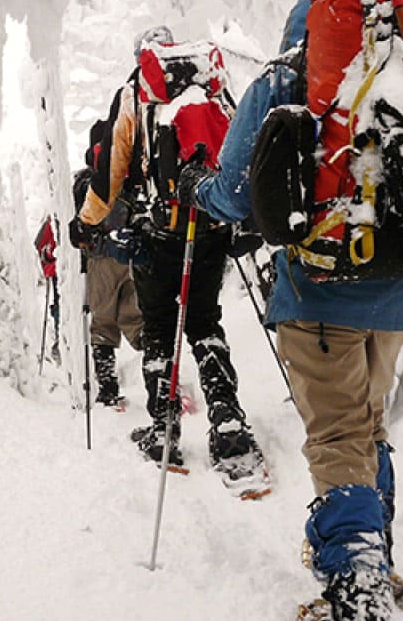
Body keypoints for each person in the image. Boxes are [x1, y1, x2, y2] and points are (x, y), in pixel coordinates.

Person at [177, 0, 403, 621]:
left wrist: (198, 189)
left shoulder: (285, 81)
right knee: (368, 424)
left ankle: (362, 592)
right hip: (400, 292)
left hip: (320, 294)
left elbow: (235, 190)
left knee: (339, 435)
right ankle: (375, 542)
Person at [69, 25, 266, 485]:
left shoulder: (136, 94)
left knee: (159, 326)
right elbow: (237, 150)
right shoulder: (209, 85)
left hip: (159, 233)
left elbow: (110, 171)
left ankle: (165, 429)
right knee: (204, 321)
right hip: (211, 224)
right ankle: (229, 424)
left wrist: (87, 223)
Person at [73, 127, 145, 408]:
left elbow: (80, 223)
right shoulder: (129, 171)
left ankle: (108, 389)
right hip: (131, 256)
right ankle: (163, 380)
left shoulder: (87, 180)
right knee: (136, 318)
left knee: (103, 325)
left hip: (100, 259)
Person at [34, 215, 60, 364]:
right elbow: (41, 247)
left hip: (57, 271)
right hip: (57, 272)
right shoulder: (51, 223)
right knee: (59, 305)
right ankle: (59, 337)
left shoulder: (50, 222)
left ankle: (60, 338)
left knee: (59, 305)